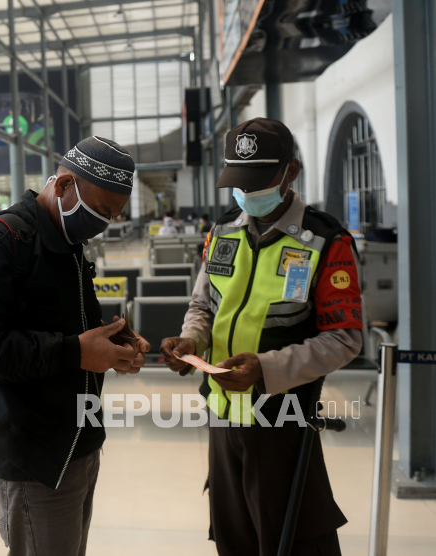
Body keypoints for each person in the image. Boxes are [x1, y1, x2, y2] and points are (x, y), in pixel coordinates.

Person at [160, 118, 362, 556]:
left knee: (293, 538)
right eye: (239, 182)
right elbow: (202, 306)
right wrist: (191, 340)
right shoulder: (223, 231)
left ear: (290, 172)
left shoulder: (325, 242)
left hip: (281, 420)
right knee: (234, 537)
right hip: (221, 416)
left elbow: (345, 338)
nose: (246, 193)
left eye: (257, 181)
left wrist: (266, 370)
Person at [0, 136, 149, 555]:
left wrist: (112, 341)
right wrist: (76, 352)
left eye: (113, 215)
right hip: (34, 458)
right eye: (100, 211)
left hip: (77, 442)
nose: (104, 222)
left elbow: (58, 327)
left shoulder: (67, 243)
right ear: (65, 184)